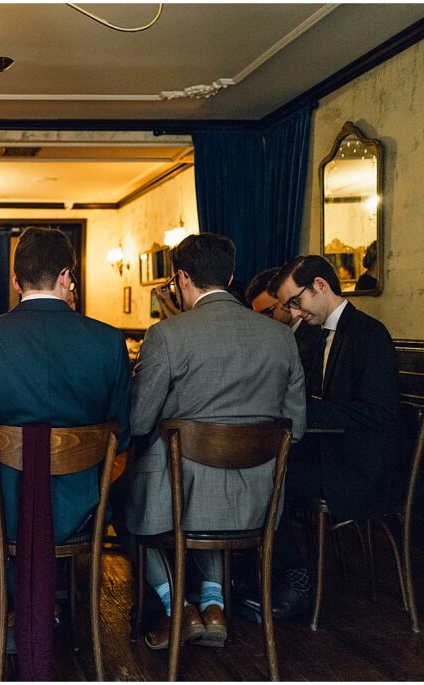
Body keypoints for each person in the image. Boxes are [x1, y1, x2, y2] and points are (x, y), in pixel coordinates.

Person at [125, 234, 305, 650]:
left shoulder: (168, 335)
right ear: (231, 275)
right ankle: (213, 603)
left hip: (176, 496)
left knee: (122, 502)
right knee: (209, 504)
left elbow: (138, 421)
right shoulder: (281, 337)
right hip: (258, 500)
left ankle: (177, 607)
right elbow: (296, 426)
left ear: (182, 278)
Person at [0, 227, 131, 545]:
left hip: (3, 509)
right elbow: (121, 432)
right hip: (84, 506)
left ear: (16, 282)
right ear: (66, 276)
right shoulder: (109, 339)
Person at [252, 254, 401, 620]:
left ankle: (296, 581)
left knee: (271, 483)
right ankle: (269, 573)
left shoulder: (369, 334)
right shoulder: (320, 335)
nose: (296, 313)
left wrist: (306, 413)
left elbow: (379, 411)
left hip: (363, 465)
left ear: (319, 286)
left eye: (295, 302)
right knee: (259, 472)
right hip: (334, 451)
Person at [247, 266, 322, 370]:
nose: (265, 320)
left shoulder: (316, 336)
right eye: (259, 316)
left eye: (269, 311)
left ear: (286, 300)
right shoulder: (271, 340)